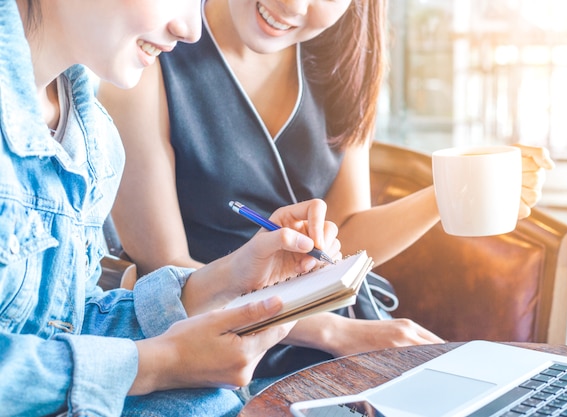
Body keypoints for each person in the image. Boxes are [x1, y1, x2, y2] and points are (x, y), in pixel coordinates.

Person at [97, 0, 553, 378]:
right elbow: (168, 273)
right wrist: (331, 333)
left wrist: (448, 191)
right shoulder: (149, 48)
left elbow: (343, 236)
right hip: (218, 347)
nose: (293, 6)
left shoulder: (345, 60)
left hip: (346, 327)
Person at [0, 0, 342, 416]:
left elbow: (62, 323)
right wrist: (160, 365)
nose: (191, 30)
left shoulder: (94, 140)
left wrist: (226, 279)